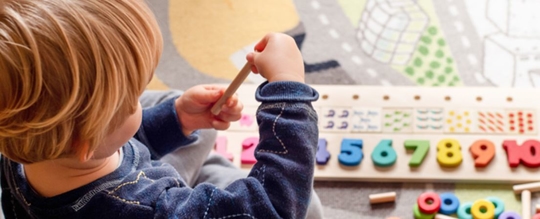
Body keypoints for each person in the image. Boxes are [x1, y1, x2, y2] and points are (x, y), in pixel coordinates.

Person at [0, 0, 322, 218]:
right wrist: (287, 88)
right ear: (85, 140)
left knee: (190, 127)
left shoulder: (23, 143)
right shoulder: (151, 209)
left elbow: (108, 145)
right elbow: (272, 207)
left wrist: (176, 119)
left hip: (126, 173)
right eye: (132, 99)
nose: (139, 100)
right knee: (307, 206)